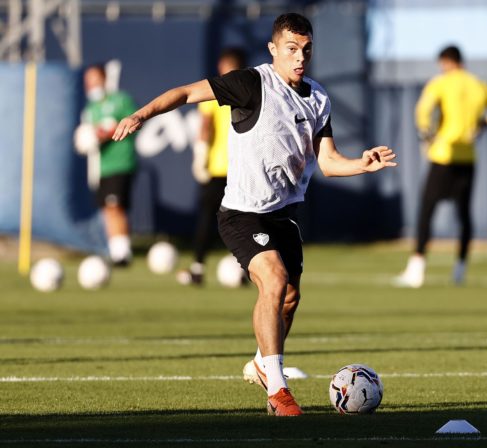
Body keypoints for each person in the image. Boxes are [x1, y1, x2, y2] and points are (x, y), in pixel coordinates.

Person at [112, 13, 397, 416]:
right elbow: (185, 93)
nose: (300, 57)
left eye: (307, 49)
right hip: (241, 213)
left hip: (284, 214)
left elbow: (330, 163)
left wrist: (362, 164)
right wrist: (142, 114)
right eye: (292, 49)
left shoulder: (318, 98)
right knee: (274, 280)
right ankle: (278, 391)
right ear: (274, 49)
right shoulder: (251, 83)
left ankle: (262, 363)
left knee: (291, 298)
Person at [394, 45, 487, 288]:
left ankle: (417, 268)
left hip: (443, 154)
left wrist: (426, 134)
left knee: (426, 211)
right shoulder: (479, 84)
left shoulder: (441, 82)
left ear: (445, 62)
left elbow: (422, 110)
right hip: (468, 158)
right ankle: (460, 268)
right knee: (464, 215)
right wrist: (485, 121)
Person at [177, 48, 248, 286]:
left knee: (211, 220)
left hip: (223, 168)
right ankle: (243, 269)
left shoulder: (217, 89)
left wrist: (200, 156)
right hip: (239, 168)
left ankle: (199, 268)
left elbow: (206, 126)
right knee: (241, 221)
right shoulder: (251, 89)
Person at [76, 64, 138, 266]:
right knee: (107, 209)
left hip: (120, 162)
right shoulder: (90, 109)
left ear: (104, 79)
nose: (91, 85)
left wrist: (104, 133)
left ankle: (123, 254)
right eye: (88, 81)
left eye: (94, 79)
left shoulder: (121, 100)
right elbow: (86, 138)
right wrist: (86, 139)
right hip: (100, 167)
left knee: (115, 206)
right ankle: (116, 251)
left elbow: (133, 123)